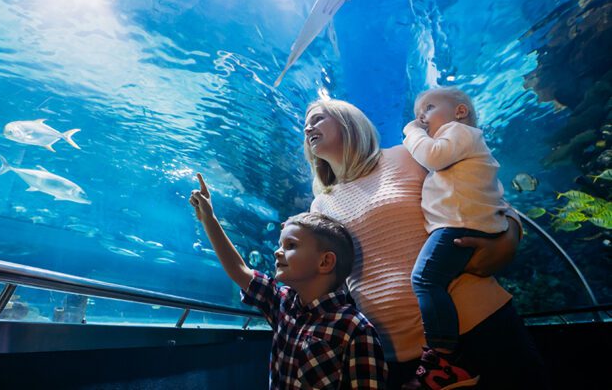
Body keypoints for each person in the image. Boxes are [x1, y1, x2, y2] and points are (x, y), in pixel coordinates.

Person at [303, 99, 548, 390]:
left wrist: (509, 238)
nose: (308, 127)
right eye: (306, 123)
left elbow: (488, 195)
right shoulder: (319, 205)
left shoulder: (408, 156)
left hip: (477, 325)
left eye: (318, 118)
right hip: (397, 355)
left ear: (348, 120)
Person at [189, 173, 388, 389]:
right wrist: (209, 218)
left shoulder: (354, 328)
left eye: (290, 246)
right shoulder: (283, 303)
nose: (277, 252)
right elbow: (239, 270)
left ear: (325, 262)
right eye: (280, 245)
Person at [401, 87, 509, 388]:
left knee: (424, 280)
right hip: (461, 221)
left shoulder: (460, 132)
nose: (421, 118)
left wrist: (411, 131)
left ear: (459, 111)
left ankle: (444, 356)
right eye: (416, 115)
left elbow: (433, 156)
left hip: (459, 222)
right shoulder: (457, 142)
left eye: (428, 108)